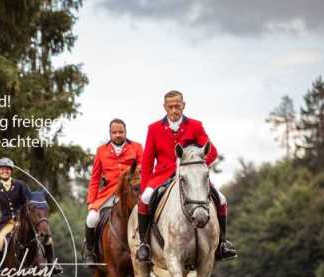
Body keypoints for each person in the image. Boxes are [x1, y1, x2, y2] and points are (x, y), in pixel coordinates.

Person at [137, 90, 238, 263]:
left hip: (192, 176)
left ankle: (222, 244)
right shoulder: (153, 129)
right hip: (162, 174)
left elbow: (212, 152)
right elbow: (147, 161)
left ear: (184, 105)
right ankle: (144, 244)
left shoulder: (195, 126)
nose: (174, 110)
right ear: (165, 107)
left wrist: (196, 165)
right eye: (170, 107)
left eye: (177, 106)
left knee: (221, 199)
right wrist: (145, 186)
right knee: (146, 198)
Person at [0, 157, 61, 273]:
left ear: (11, 171)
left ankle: (51, 264)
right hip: (7, 223)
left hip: (23, 220)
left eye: (7, 169)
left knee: (47, 238)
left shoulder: (20, 185)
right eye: (2, 169)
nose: (5, 171)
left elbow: (28, 201)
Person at [85, 119, 143, 262]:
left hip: (130, 192)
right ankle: (90, 252)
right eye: (114, 132)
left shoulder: (136, 147)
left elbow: (143, 167)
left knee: (146, 214)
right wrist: (91, 202)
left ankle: (146, 248)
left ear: (125, 132)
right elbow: (95, 179)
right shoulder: (101, 151)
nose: (118, 135)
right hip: (108, 194)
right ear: (110, 134)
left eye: (120, 132)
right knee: (91, 219)